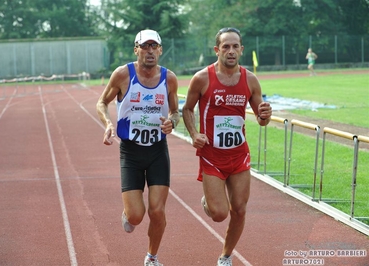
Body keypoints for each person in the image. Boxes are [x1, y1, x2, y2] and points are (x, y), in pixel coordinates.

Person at [182, 27, 272, 266]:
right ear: (217, 50)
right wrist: (194, 134)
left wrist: (266, 115)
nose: (231, 51)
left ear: (242, 49)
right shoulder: (202, 78)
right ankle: (209, 203)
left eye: (235, 46)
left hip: (239, 155)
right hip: (212, 156)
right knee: (220, 214)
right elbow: (187, 108)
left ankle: (226, 256)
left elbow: (261, 120)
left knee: (240, 210)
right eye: (226, 46)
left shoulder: (250, 80)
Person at [96, 29, 179, 266]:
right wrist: (108, 123)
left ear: (160, 50)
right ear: (136, 49)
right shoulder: (123, 74)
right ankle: (129, 213)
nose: (150, 51)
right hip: (131, 152)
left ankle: (151, 257)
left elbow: (175, 112)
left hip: (157, 151)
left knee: (157, 211)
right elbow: (102, 101)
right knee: (136, 215)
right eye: (145, 46)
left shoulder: (169, 79)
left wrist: (172, 122)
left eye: (154, 46)